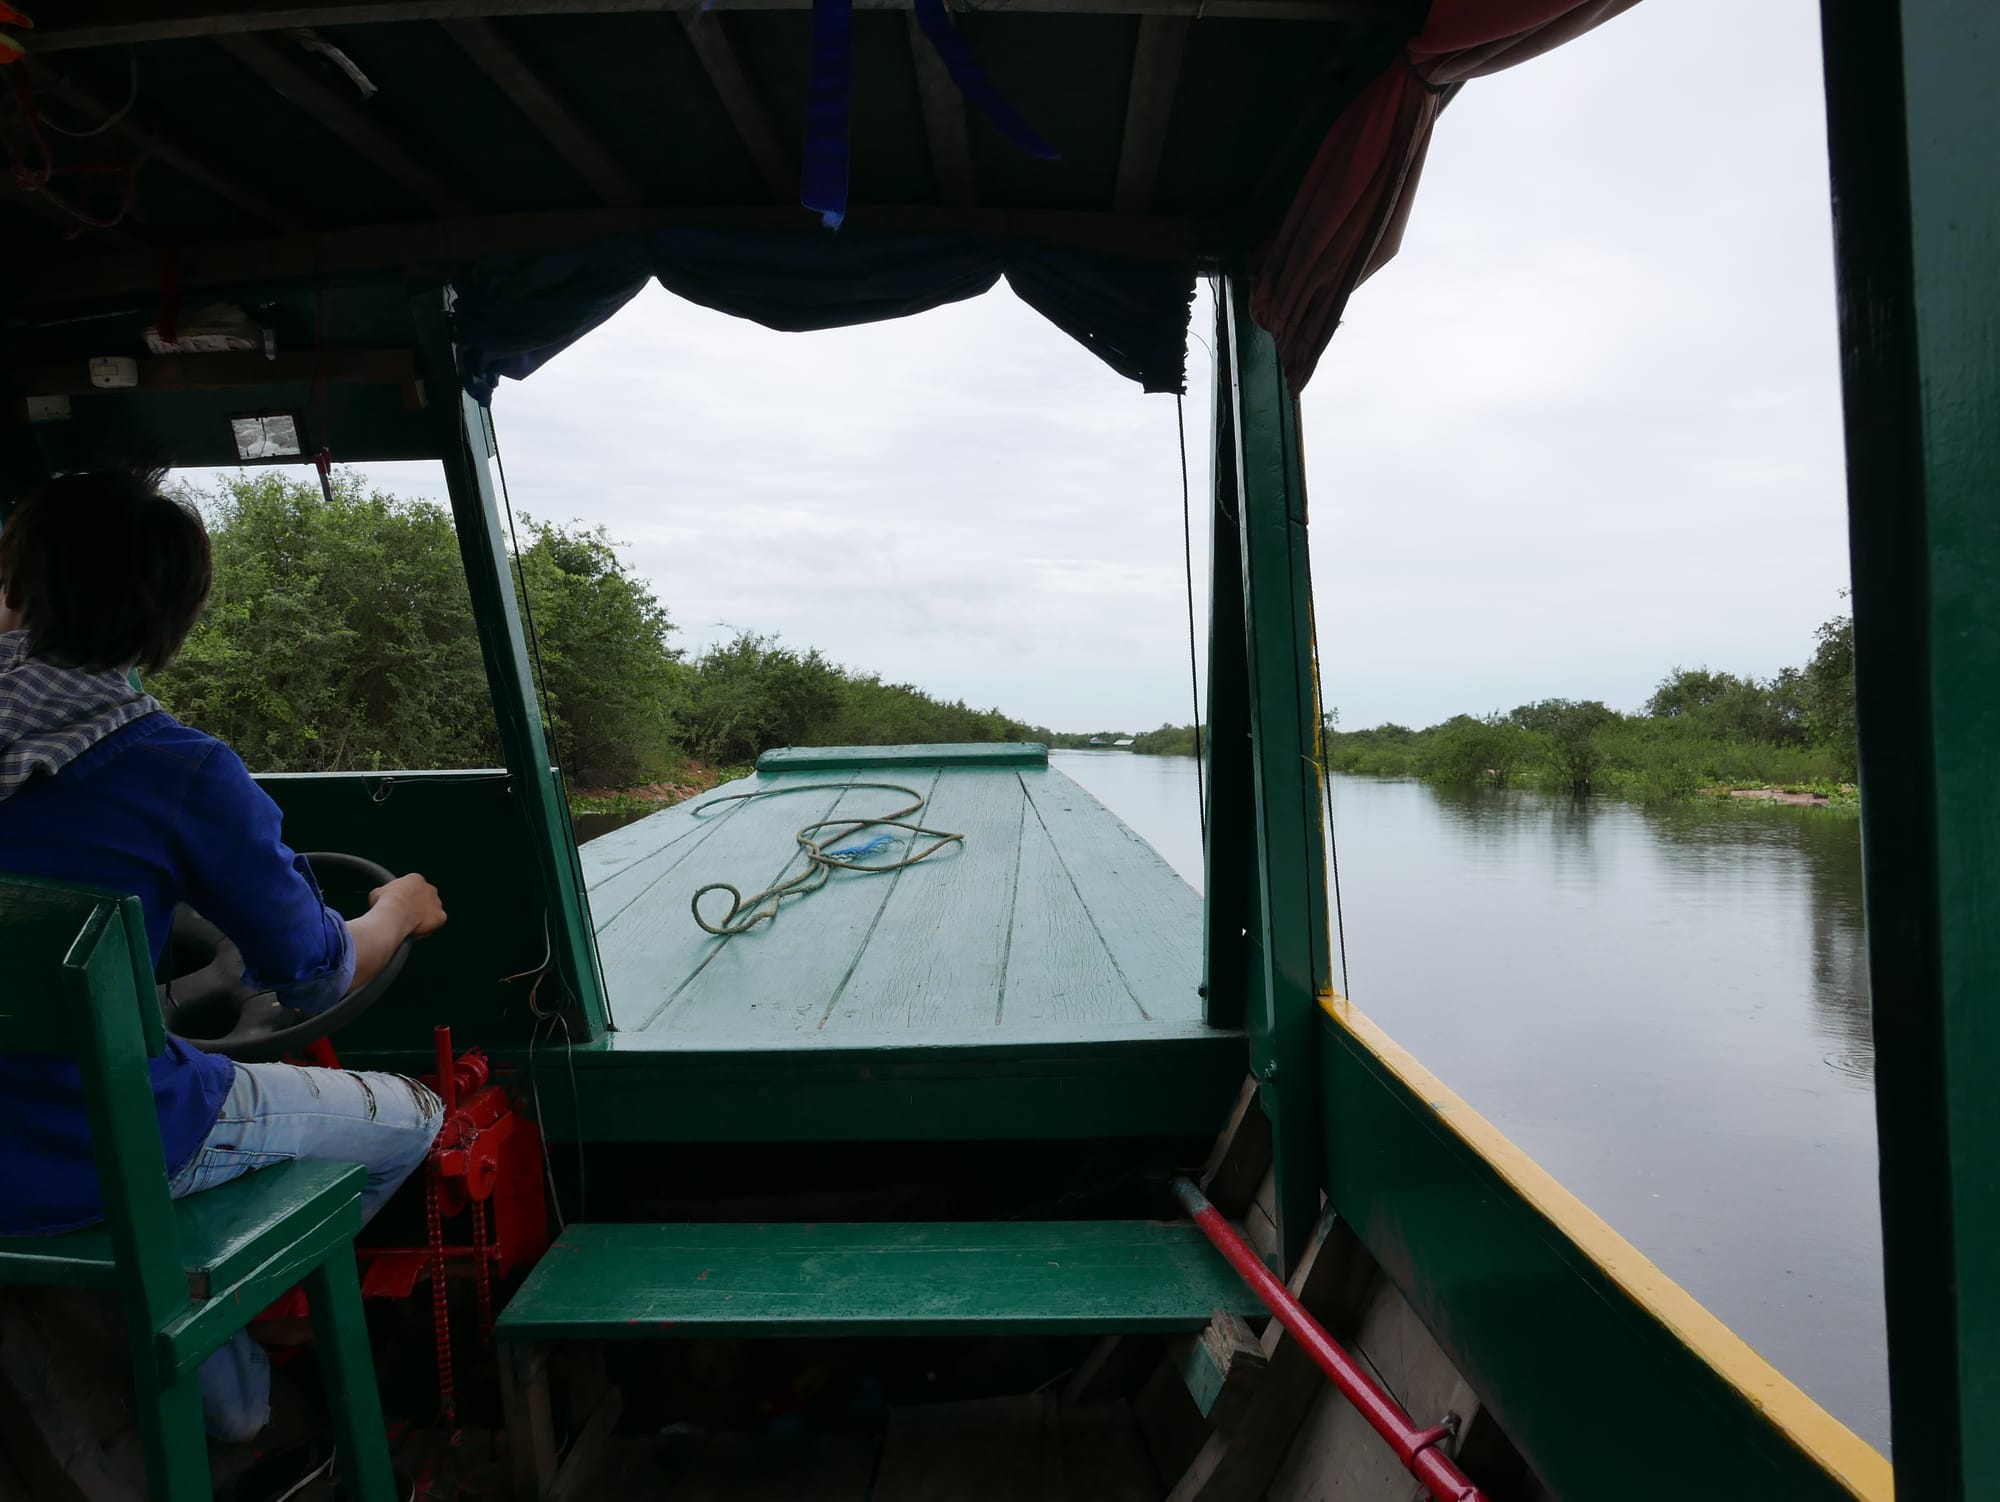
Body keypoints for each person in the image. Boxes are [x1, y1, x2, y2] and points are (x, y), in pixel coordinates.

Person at [0, 469, 447, 1464]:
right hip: (87, 1152)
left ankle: (234, 1396)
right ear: (171, 621)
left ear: (16, 592)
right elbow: (318, 976)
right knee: (408, 1115)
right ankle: (247, 1320)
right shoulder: (176, 770)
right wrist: (398, 908)